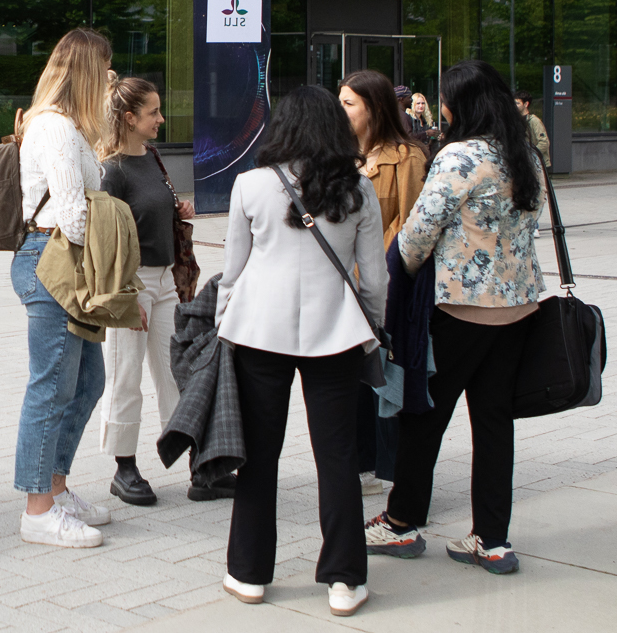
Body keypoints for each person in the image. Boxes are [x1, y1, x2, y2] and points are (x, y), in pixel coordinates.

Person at [366, 60, 547, 577]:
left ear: (460, 104)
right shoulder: (526, 156)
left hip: (459, 312)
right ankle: (491, 540)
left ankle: (401, 522)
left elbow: (417, 236)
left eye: (445, 99)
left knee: (425, 415)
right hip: (517, 309)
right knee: (494, 423)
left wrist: (391, 277)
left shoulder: (459, 157)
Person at [216, 85, 385, 616]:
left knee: (259, 456)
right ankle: (344, 579)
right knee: (336, 457)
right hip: (334, 333)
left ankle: (248, 574)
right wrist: (373, 326)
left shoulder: (250, 185)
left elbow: (233, 268)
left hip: (258, 332)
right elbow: (374, 279)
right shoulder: (358, 188)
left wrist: (223, 321)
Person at [11, 28, 116, 548]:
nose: (111, 79)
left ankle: (55, 487)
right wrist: (109, 255)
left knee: (87, 380)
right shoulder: (52, 126)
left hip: (66, 262)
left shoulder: (70, 126)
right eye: (107, 70)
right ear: (88, 72)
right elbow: (73, 214)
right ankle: (37, 510)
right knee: (51, 386)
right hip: (53, 258)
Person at [95, 76, 194, 509]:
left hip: (166, 278)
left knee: (175, 370)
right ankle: (124, 467)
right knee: (126, 372)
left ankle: (191, 455)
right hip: (130, 282)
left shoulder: (153, 157)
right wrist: (124, 291)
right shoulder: (111, 170)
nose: (161, 118)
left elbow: (155, 211)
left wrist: (179, 210)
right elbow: (106, 239)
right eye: (153, 112)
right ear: (130, 118)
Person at [339, 70, 429, 497]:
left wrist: (372, 264)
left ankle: (394, 471)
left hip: (387, 282)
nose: (341, 111)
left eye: (348, 104)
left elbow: (411, 222)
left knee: (386, 374)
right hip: (345, 287)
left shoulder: (407, 156)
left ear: (372, 109)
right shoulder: (340, 155)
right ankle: (360, 463)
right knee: (353, 378)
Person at [514, 89, 552, 168]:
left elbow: (544, 142)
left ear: (526, 104)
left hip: (537, 164)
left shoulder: (534, 121)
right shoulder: (515, 121)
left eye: (517, 103)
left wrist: (531, 154)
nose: (515, 106)